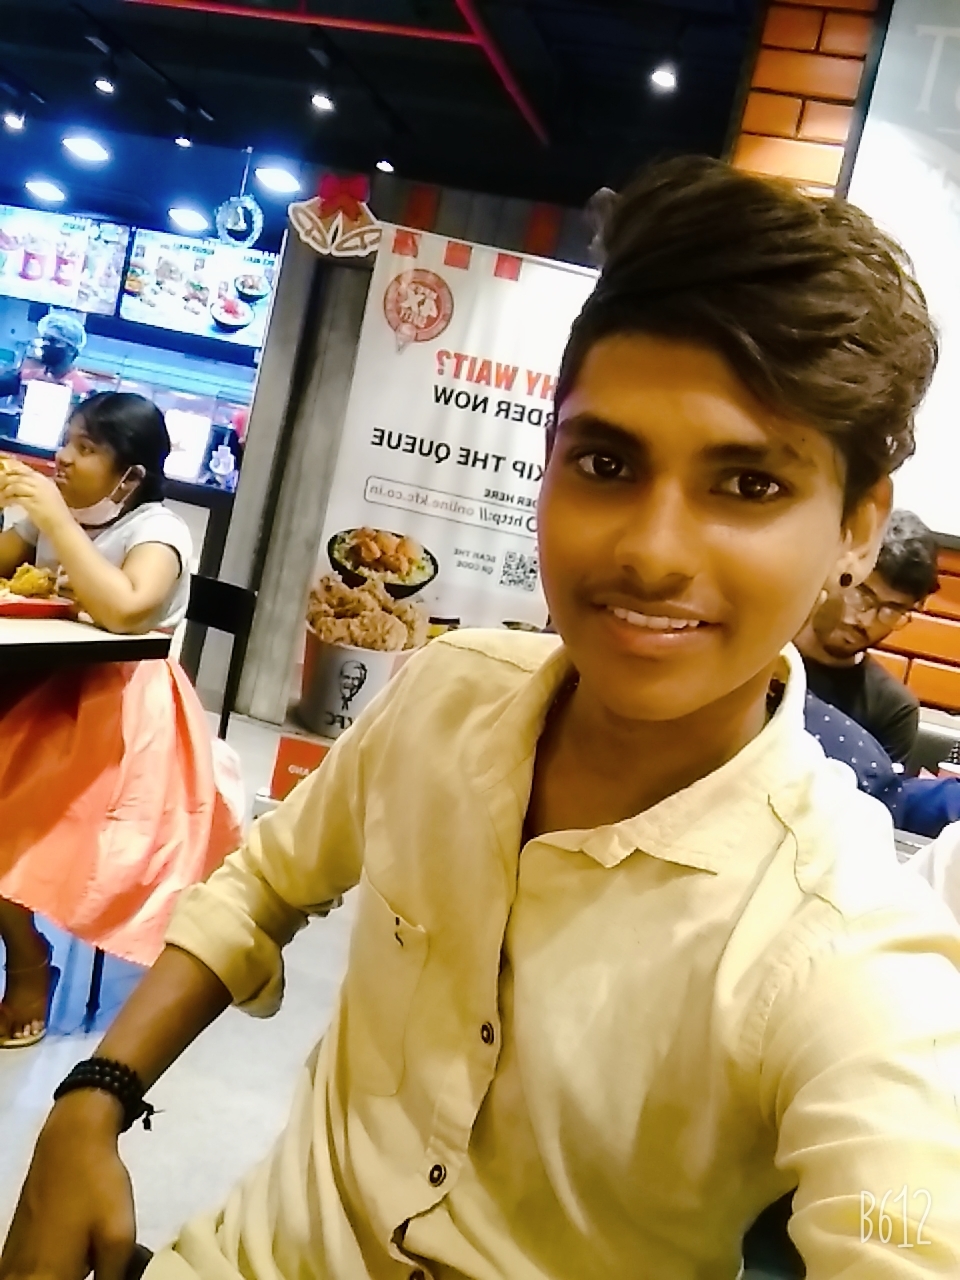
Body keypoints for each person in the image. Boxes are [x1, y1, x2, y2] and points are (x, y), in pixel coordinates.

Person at [6, 158, 960, 1279]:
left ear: (857, 527)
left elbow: (906, 1216)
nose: (652, 551)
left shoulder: (843, 936)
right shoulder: (448, 690)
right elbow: (265, 880)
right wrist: (93, 1098)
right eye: (606, 461)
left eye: (748, 484)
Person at [0, 391, 241, 1048]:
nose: (63, 457)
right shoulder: (52, 513)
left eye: (86, 448)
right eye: (66, 440)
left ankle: (28, 962)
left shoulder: (157, 530)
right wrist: (24, 512)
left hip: (121, 711)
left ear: (129, 476)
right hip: (36, 683)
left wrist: (54, 521)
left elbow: (130, 609)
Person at [795, 509, 939, 765]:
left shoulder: (893, 709)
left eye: (891, 610)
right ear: (836, 568)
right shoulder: (761, 649)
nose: (866, 620)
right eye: (862, 594)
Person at [0, 310, 91, 402]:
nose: (45, 344)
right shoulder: (27, 377)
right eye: (44, 339)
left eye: (53, 341)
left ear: (71, 350)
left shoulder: (83, 391)